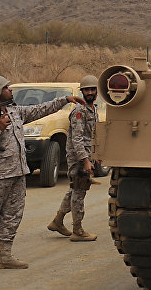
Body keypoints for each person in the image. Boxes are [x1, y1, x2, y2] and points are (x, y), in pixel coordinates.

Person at [0, 76, 84, 269]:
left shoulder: (15, 111)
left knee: (12, 216)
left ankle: (4, 256)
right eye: (6, 88)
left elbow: (39, 110)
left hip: (17, 175)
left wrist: (64, 100)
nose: (10, 90)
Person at [47, 75, 100, 242]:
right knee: (79, 191)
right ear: (81, 91)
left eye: (92, 89)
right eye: (87, 90)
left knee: (74, 189)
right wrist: (85, 160)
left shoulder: (93, 109)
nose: (90, 92)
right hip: (78, 157)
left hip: (86, 155)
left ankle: (58, 221)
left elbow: (92, 135)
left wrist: (96, 156)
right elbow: (77, 139)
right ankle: (78, 230)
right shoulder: (79, 111)